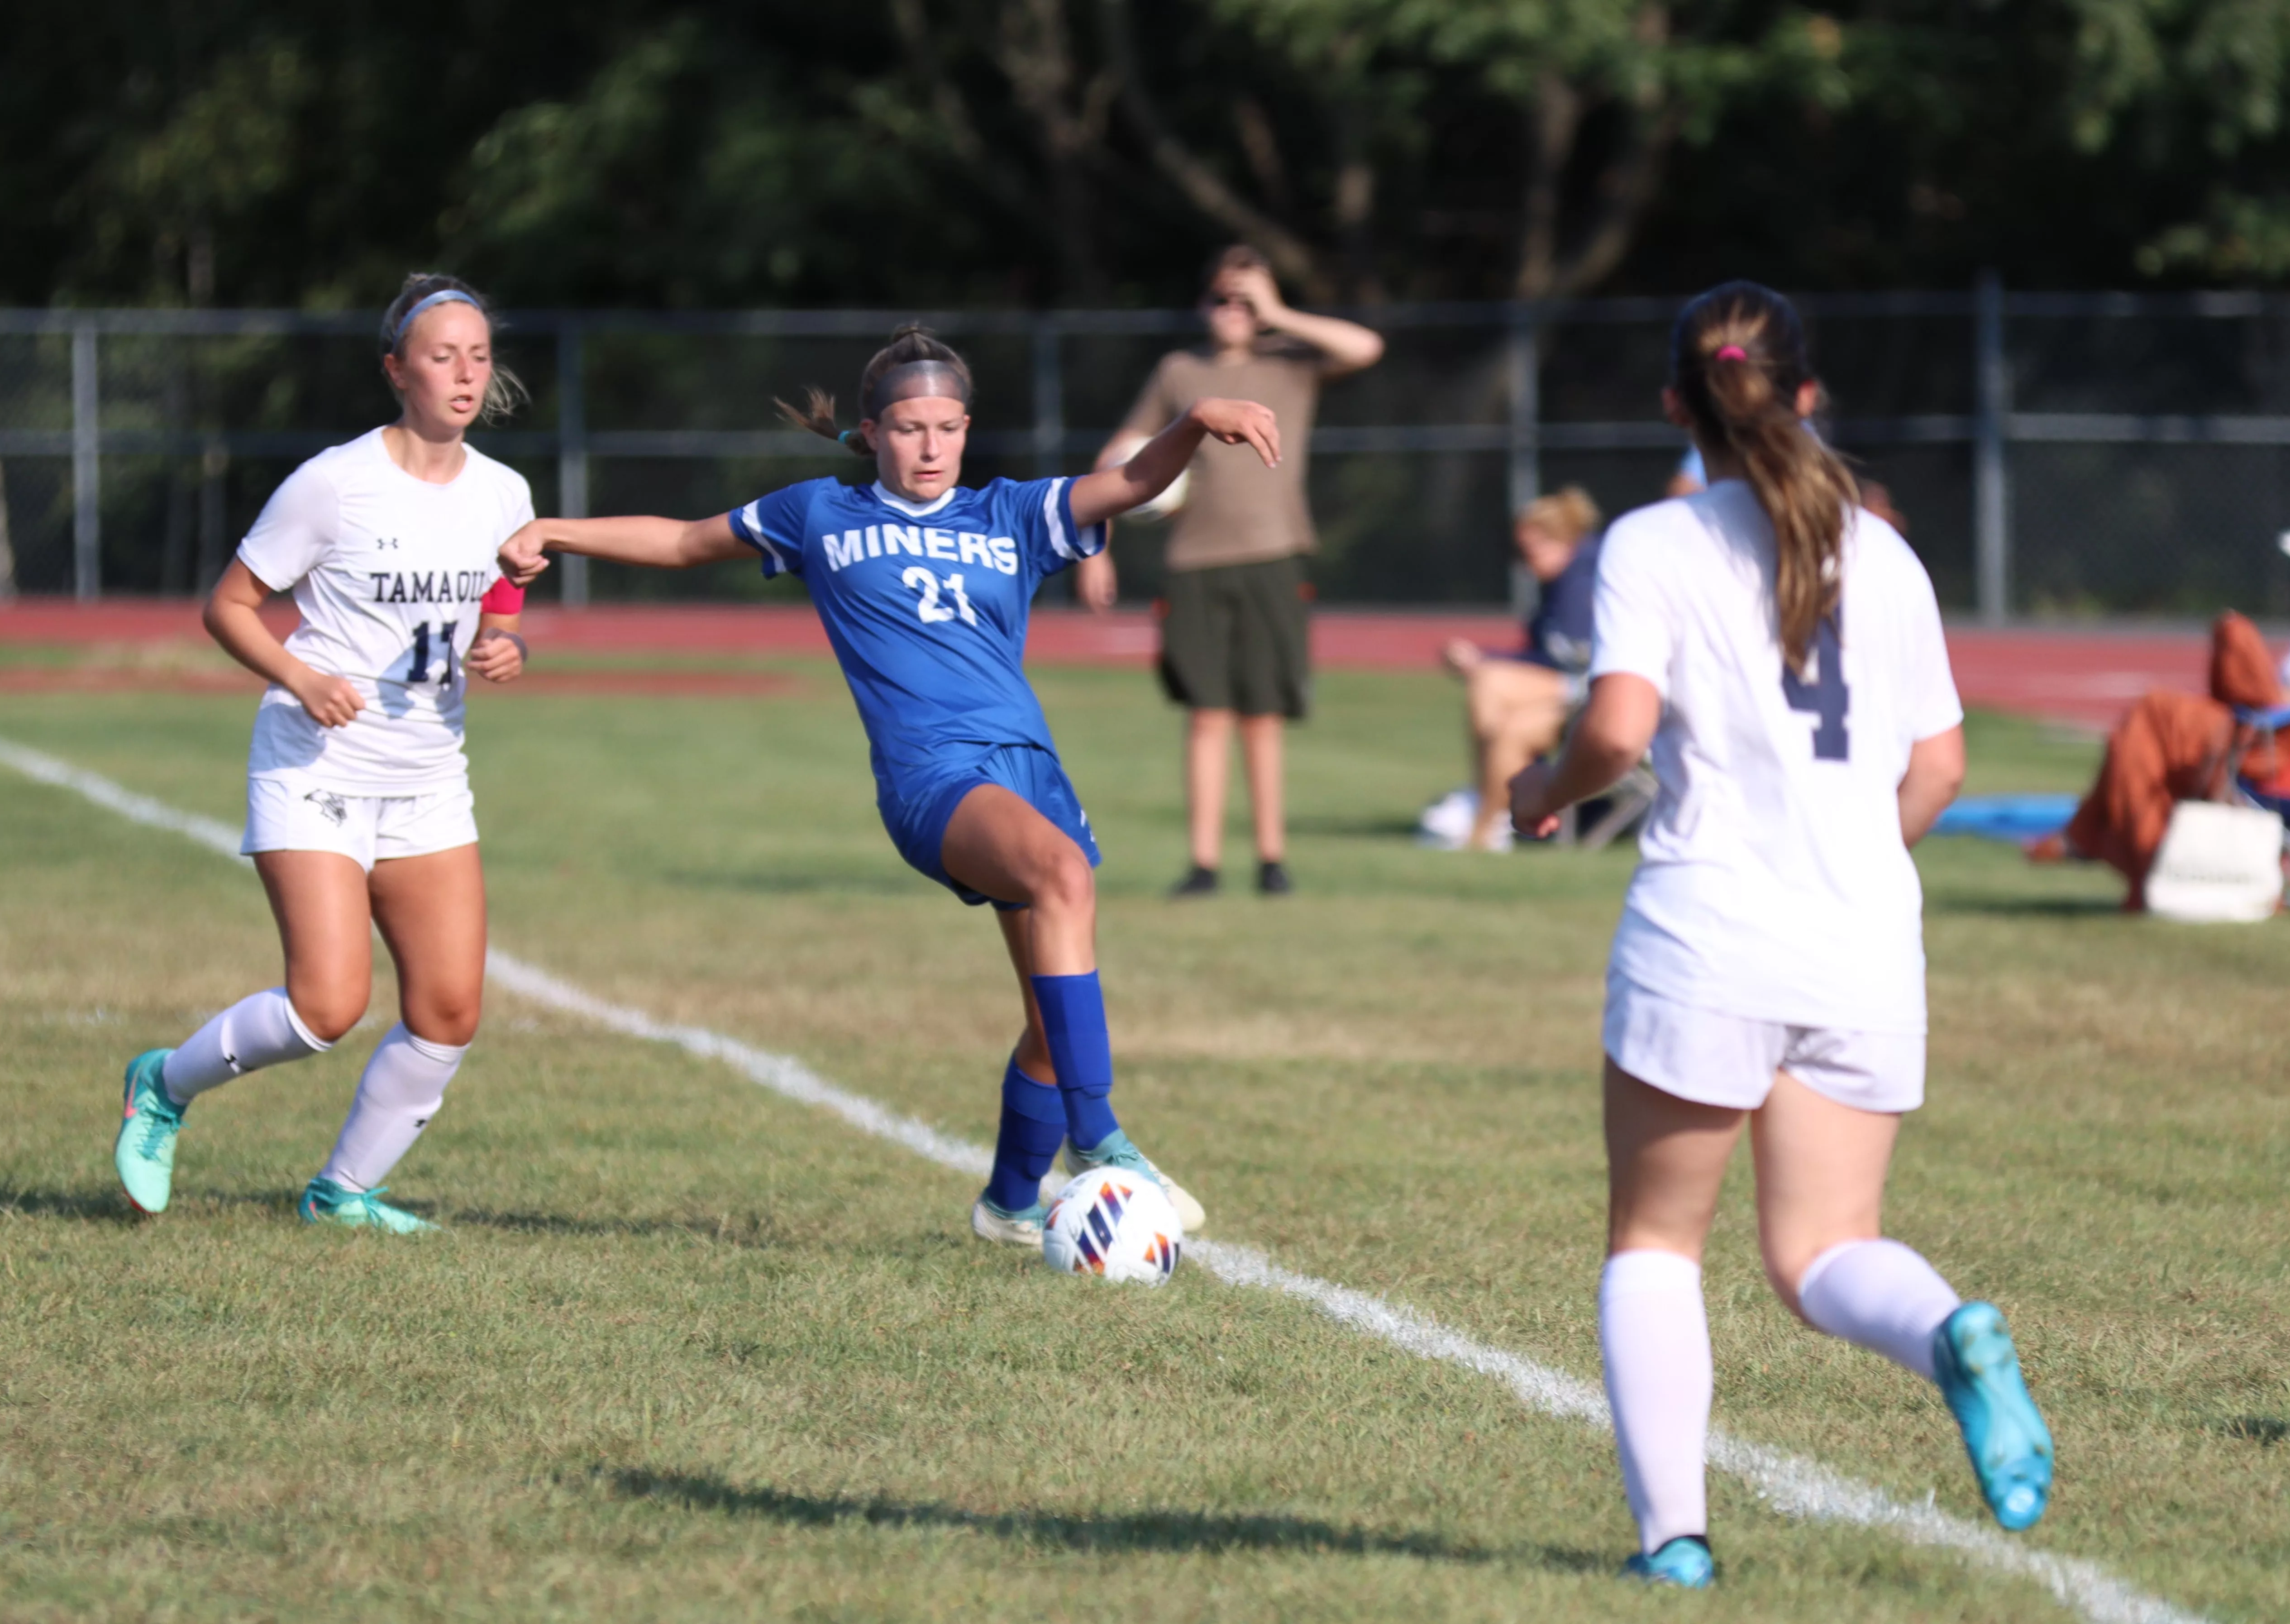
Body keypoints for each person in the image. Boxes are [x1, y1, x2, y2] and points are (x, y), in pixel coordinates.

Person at [495, 325, 1279, 1246]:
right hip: (932, 779)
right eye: (909, 428)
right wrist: (556, 530)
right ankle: (1101, 1140)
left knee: (1049, 1019)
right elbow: (680, 541)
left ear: (967, 427)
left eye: (947, 427)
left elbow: (1134, 482)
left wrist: (1191, 421)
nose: (931, 446)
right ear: (871, 433)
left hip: (1031, 771)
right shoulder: (821, 514)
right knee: (1063, 879)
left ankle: (1010, 1205)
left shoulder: (1011, 513)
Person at [1507, 281, 2052, 1587]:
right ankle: (1949, 1329)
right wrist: (1854, 858)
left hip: (1705, 930)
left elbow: (1618, 732)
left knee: (1653, 1243)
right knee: (1820, 1251)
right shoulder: (1889, 552)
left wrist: (1537, 789)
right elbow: (1939, 765)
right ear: (1806, 396)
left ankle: (1674, 1543)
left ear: (1674, 407)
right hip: (1862, 941)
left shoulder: (1653, 542)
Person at [112, 273, 535, 1234]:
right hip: (316, 764)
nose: (465, 374)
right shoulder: (334, 482)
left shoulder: (506, 491)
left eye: (478, 355)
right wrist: (300, 677)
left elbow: (503, 603)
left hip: (429, 774)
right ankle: (161, 1088)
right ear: (397, 371)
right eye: (442, 355)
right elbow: (227, 606)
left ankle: (342, 1194)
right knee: (325, 1006)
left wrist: (506, 645)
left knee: (448, 1012)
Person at [1077, 246, 1384, 898]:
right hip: (1193, 561)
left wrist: (1278, 312)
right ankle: (1204, 864)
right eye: (1223, 298)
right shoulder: (1180, 371)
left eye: (1246, 301)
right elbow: (1119, 455)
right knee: (1207, 713)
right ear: (1202, 305)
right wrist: (1094, 547)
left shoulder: (1291, 361)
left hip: (1274, 554)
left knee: (1263, 714)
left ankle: (1272, 861)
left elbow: (1365, 347)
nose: (1234, 311)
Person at [2027, 610, 2290, 907]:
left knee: (2155, 716)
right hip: (2260, 737)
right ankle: (2089, 837)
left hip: (2272, 748)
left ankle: (2101, 842)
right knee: (2157, 721)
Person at [1437, 486, 1602, 852]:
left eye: (1529, 552)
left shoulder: (1586, 578)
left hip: (1599, 696)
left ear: (1560, 540)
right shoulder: (1560, 582)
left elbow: (1568, 657)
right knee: (1492, 689)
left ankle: (1483, 823)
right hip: (1573, 692)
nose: (1525, 564)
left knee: (1497, 693)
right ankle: (1486, 806)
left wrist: (1487, 660)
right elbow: (1543, 655)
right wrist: (1485, 659)